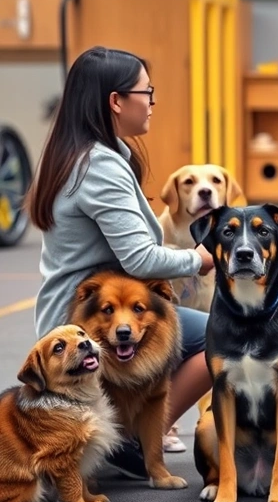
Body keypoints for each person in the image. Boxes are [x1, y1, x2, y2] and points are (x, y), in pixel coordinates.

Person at [23, 45, 215, 477]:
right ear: (116, 101)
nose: (151, 102)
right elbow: (141, 258)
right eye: (147, 92)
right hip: (86, 319)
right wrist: (198, 258)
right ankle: (133, 442)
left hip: (75, 311)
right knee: (220, 335)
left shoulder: (79, 154)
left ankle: (128, 434)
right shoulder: (99, 167)